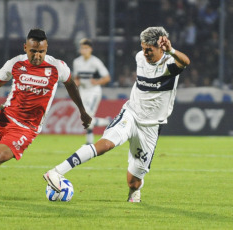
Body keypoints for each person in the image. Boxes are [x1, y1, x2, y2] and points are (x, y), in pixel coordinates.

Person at [0, 28, 92, 199]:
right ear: (25, 48)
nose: (37, 56)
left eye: (41, 52)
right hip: (4, 118)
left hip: (27, 128)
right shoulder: (15, 64)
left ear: (46, 48)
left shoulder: (57, 66)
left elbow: (71, 85)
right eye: (33, 51)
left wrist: (82, 111)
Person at [44, 27, 190, 202]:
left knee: (133, 182)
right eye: (143, 48)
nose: (144, 53)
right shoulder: (140, 58)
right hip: (131, 114)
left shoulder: (169, 65)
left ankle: (135, 191)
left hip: (151, 126)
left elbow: (185, 62)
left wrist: (172, 51)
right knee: (105, 145)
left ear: (161, 47)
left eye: (149, 49)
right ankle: (56, 172)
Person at [73, 38, 111, 144]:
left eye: (86, 48)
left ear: (90, 49)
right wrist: (74, 84)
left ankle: (108, 122)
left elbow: (107, 78)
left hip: (93, 91)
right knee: (84, 117)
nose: (84, 50)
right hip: (82, 91)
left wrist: (97, 82)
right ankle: (89, 141)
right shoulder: (77, 62)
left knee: (87, 118)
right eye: (82, 48)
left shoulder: (95, 62)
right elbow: (76, 78)